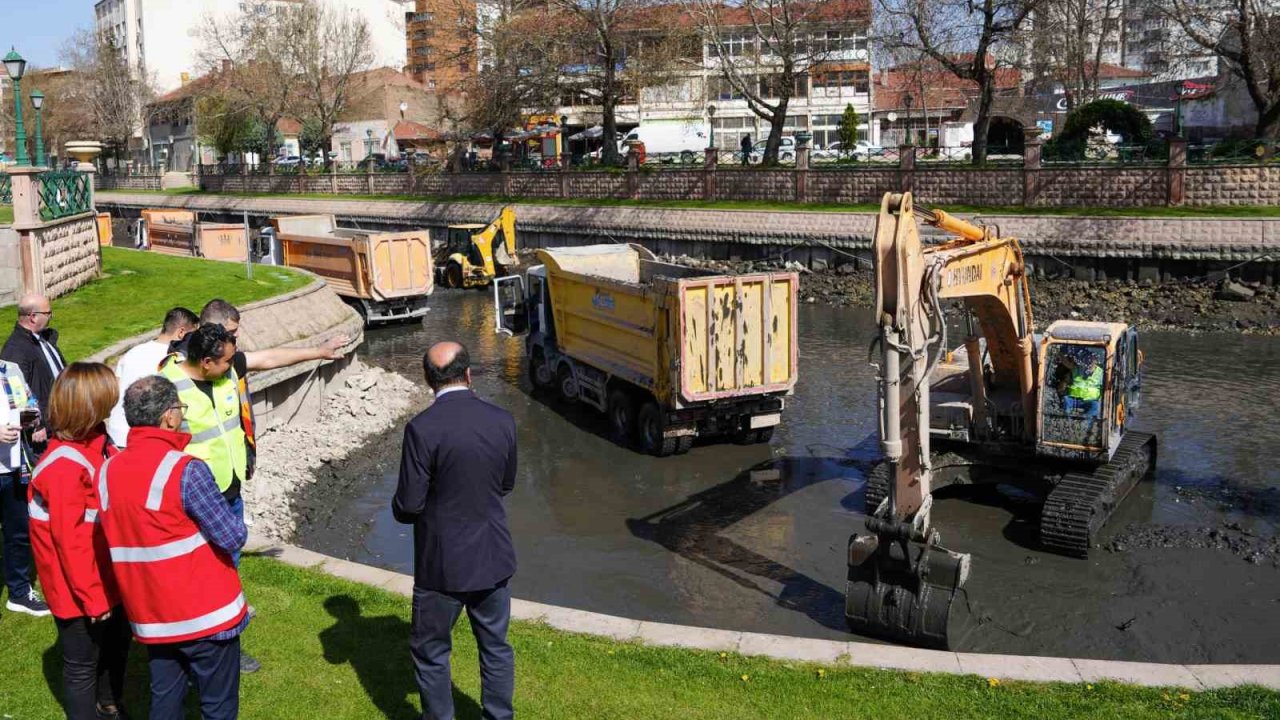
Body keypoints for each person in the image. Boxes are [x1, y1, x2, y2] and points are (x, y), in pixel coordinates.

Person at [177, 300, 347, 673]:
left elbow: (268, 358)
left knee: (227, 568)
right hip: (198, 494)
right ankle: (206, 651)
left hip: (230, 486)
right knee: (202, 572)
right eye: (232, 342)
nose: (235, 365)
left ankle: (224, 642)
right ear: (208, 357)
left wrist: (318, 351)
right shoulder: (173, 382)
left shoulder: (225, 365)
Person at [98, 375, 248, 720]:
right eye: (180, 408)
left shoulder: (106, 471)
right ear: (168, 416)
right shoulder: (186, 470)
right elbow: (232, 536)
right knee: (218, 706)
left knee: (164, 697)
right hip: (206, 614)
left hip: (152, 615)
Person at [394, 342, 517, 720]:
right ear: (468, 374)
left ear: (429, 380)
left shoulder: (421, 429)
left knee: (432, 652)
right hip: (493, 558)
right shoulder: (503, 420)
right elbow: (506, 483)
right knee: (495, 647)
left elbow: (409, 506)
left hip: (441, 567)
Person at [28, 363, 131, 720]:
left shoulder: (100, 444)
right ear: (90, 406)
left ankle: (110, 704)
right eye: (108, 400)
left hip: (109, 576)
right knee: (82, 664)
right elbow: (70, 543)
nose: (113, 406)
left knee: (116, 647)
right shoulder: (63, 467)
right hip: (78, 588)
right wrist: (92, 597)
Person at [107, 307, 198, 448]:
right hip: (143, 439)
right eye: (192, 335)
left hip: (115, 435)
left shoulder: (132, 353)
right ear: (181, 332)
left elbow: (114, 390)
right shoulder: (174, 359)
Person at [0, 353, 48, 617]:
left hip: (15, 467)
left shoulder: (11, 369)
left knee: (18, 533)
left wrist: (32, 417)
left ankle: (19, 594)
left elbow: (30, 403)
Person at [1, 293, 65, 445]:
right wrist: (38, 424)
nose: (51, 316)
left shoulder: (43, 340)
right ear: (33, 317)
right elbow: (18, 394)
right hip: (42, 434)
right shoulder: (15, 350)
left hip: (61, 422)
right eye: (48, 313)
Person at [1065, 352, 1104, 417]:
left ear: (1096, 361)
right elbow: (1066, 363)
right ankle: (1066, 422)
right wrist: (1057, 352)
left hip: (1091, 401)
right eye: (1086, 359)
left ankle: (1086, 425)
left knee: (1095, 407)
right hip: (1072, 399)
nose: (1088, 362)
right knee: (1065, 401)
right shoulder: (1077, 369)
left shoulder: (1102, 373)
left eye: (1091, 360)